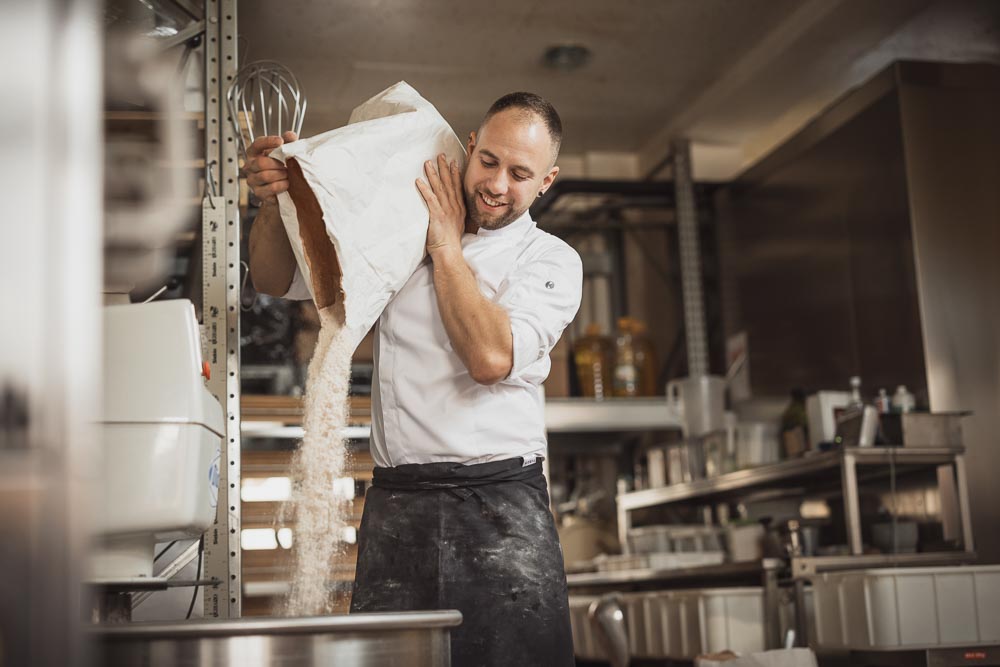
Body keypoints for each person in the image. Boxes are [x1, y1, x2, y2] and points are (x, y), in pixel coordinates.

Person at [247, 92, 582, 667]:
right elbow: (274, 279)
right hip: (398, 505)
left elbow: (490, 358)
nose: (498, 184)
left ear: (546, 181)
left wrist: (446, 247)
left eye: (520, 174)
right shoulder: (400, 222)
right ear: (469, 147)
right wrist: (274, 202)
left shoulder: (550, 260)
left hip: (499, 507)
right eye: (490, 161)